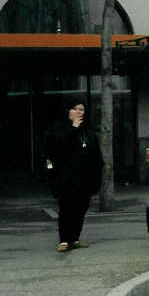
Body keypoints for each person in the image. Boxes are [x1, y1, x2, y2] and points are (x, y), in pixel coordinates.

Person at [45, 98, 104, 252]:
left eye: (82, 110)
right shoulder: (59, 129)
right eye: (76, 109)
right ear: (68, 111)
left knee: (81, 208)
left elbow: (95, 152)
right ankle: (64, 240)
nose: (79, 112)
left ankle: (75, 238)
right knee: (67, 209)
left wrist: (98, 171)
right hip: (66, 178)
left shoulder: (88, 130)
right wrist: (73, 127)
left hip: (84, 178)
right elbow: (58, 148)